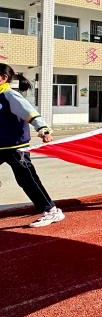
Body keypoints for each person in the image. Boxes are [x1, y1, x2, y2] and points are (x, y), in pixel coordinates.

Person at [0, 64, 64, 227]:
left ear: (3, 78)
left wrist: (43, 129)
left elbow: (30, 112)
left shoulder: (10, 95)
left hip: (15, 147)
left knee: (27, 179)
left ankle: (51, 211)